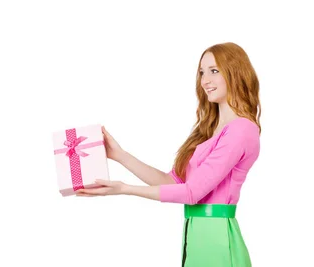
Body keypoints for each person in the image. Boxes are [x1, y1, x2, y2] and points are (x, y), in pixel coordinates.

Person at [77, 42, 261, 267]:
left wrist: (124, 189)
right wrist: (120, 155)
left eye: (214, 71)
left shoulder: (242, 129)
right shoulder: (208, 131)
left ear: (236, 72)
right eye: (202, 72)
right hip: (196, 235)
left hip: (218, 238)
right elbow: (171, 181)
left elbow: (192, 193)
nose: (205, 81)